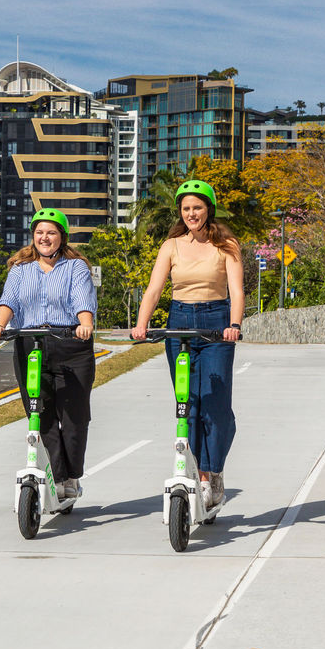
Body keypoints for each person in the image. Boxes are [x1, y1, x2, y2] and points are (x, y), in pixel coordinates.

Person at [131, 180, 245, 510]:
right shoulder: (171, 246)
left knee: (216, 407)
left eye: (197, 207)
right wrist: (142, 324)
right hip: (179, 321)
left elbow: (236, 292)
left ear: (208, 209)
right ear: (180, 213)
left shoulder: (227, 245)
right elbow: (154, 290)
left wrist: (234, 325)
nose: (191, 213)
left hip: (216, 324)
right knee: (189, 404)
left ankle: (214, 472)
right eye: (186, 208)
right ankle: (197, 474)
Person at [0, 208, 97, 499]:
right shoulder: (20, 269)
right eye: (39, 232)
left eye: (51, 232)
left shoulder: (75, 267)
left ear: (62, 237)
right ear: (33, 236)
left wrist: (85, 324)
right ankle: (57, 478)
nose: (44, 237)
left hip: (70, 344)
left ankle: (72, 476)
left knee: (74, 419)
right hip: (30, 344)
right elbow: (8, 299)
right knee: (40, 415)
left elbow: (82, 298)